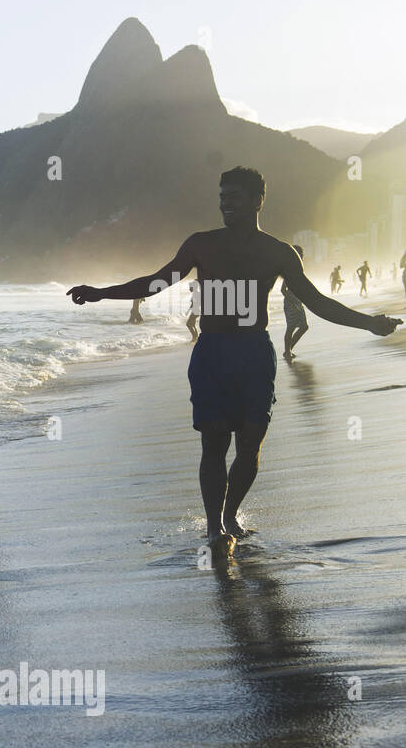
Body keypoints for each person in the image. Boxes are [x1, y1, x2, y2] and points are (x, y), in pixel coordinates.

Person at [66, 167, 399, 559]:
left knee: (250, 444)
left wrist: (369, 323)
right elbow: (156, 282)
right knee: (214, 441)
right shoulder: (201, 245)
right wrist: (101, 293)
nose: (226, 203)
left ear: (259, 199)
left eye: (235, 196)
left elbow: (317, 302)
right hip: (212, 353)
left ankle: (230, 512)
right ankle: (214, 527)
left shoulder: (279, 252)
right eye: (222, 196)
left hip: (255, 353)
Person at [281, 245, 310, 361]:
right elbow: (283, 290)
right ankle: (288, 351)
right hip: (291, 302)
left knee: (304, 326)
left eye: (302, 255)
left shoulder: (299, 268)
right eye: (299, 254)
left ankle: (288, 350)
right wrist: (293, 302)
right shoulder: (289, 269)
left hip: (298, 301)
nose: (301, 257)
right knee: (291, 327)